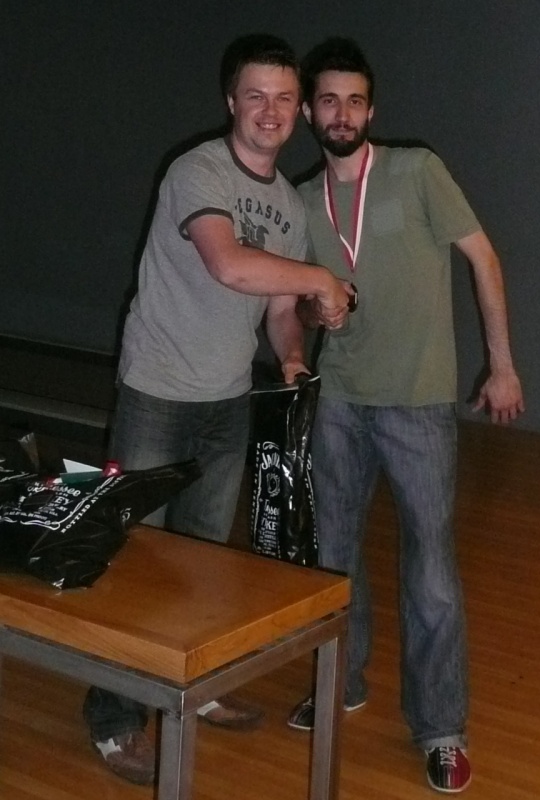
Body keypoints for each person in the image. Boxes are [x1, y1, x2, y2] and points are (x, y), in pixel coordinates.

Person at [84, 33, 355, 786]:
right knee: (132, 557)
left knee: (203, 564)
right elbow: (229, 263)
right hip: (158, 393)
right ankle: (113, 721)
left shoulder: (288, 206)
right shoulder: (197, 170)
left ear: (299, 111)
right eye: (255, 95)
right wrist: (319, 279)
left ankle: (189, 689)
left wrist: (293, 356)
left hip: (227, 401)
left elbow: (277, 311)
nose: (270, 110)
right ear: (231, 101)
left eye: (284, 98)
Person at [287, 38, 525, 795]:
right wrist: (314, 316)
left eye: (355, 100)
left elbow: (483, 258)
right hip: (339, 400)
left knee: (432, 572)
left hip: (418, 402)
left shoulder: (418, 170)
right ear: (309, 112)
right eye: (329, 100)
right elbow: (296, 303)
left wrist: (502, 364)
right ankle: (341, 682)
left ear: (371, 110)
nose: (342, 113)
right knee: (333, 557)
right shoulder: (301, 200)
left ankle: (441, 727)